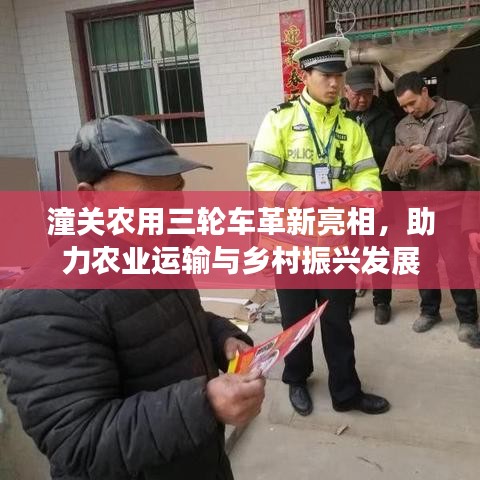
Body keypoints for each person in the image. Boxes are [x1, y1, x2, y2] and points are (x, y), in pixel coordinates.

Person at [0, 115, 266, 480]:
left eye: (176, 189)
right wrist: (203, 405)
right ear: (90, 198)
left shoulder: (159, 249)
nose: (173, 211)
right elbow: (78, 441)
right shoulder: (45, 301)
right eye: (150, 198)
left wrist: (223, 339)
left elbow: (176, 319)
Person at [247, 37, 390, 417]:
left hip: (334, 244)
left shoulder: (351, 128)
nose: (334, 83)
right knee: (297, 322)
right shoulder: (280, 119)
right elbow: (259, 173)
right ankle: (297, 379)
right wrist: (300, 199)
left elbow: (366, 173)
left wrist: (367, 198)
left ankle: (346, 392)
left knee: (337, 321)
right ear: (305, 76)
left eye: (338, 76)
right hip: (290, 246)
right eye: (326, 75)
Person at [394, 71, 480, 347]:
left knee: (456, 262)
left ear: (424, 92)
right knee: (424, 261)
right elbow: (400, 158)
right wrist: (398, 168)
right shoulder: (403, 127)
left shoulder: (456, 112)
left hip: (450, 203)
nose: (409, 110)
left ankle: (468, 318)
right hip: (417, 206)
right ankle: (429, 311)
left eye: (412, 103)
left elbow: (469, 148)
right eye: (404, 107)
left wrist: (434, 151)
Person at [343, 65, 399, 325]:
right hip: (344, 198)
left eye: (367, 93)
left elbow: (388, 153)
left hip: (375, 196)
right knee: (347, 251)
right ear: (346, 91)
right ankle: (347, 299)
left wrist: (359, 143)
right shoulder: (337, 116)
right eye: (357, 94)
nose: (363, 99)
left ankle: (382, 301)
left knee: (378, 250)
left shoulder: (386, 117)